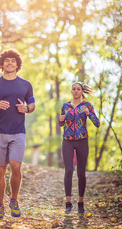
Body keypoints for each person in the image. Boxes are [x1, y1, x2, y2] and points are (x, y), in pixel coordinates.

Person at [0, 49, 35, 219]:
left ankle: (14, 200)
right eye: (7, 61)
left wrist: (26, 108)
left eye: (13, 61)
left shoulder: (25, 84)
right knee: (0, 170)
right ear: (2, 64)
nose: (10, 63)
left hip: (18, 132)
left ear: (18, 65)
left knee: (16, 166)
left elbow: (32, 105)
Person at [59, 82, 100, 214]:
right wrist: (61, 119)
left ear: (82, 91)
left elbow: (97, 123)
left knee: (81, 173)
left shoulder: (86, 106)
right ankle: (68, 203)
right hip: (68, 141)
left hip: (82, 140)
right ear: (71, 91)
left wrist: (89, 113)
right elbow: (61, 123)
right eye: (74, 89)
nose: (76, 91)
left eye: (78, 89)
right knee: (69, 170)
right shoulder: (65, 106)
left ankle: (80, 203)